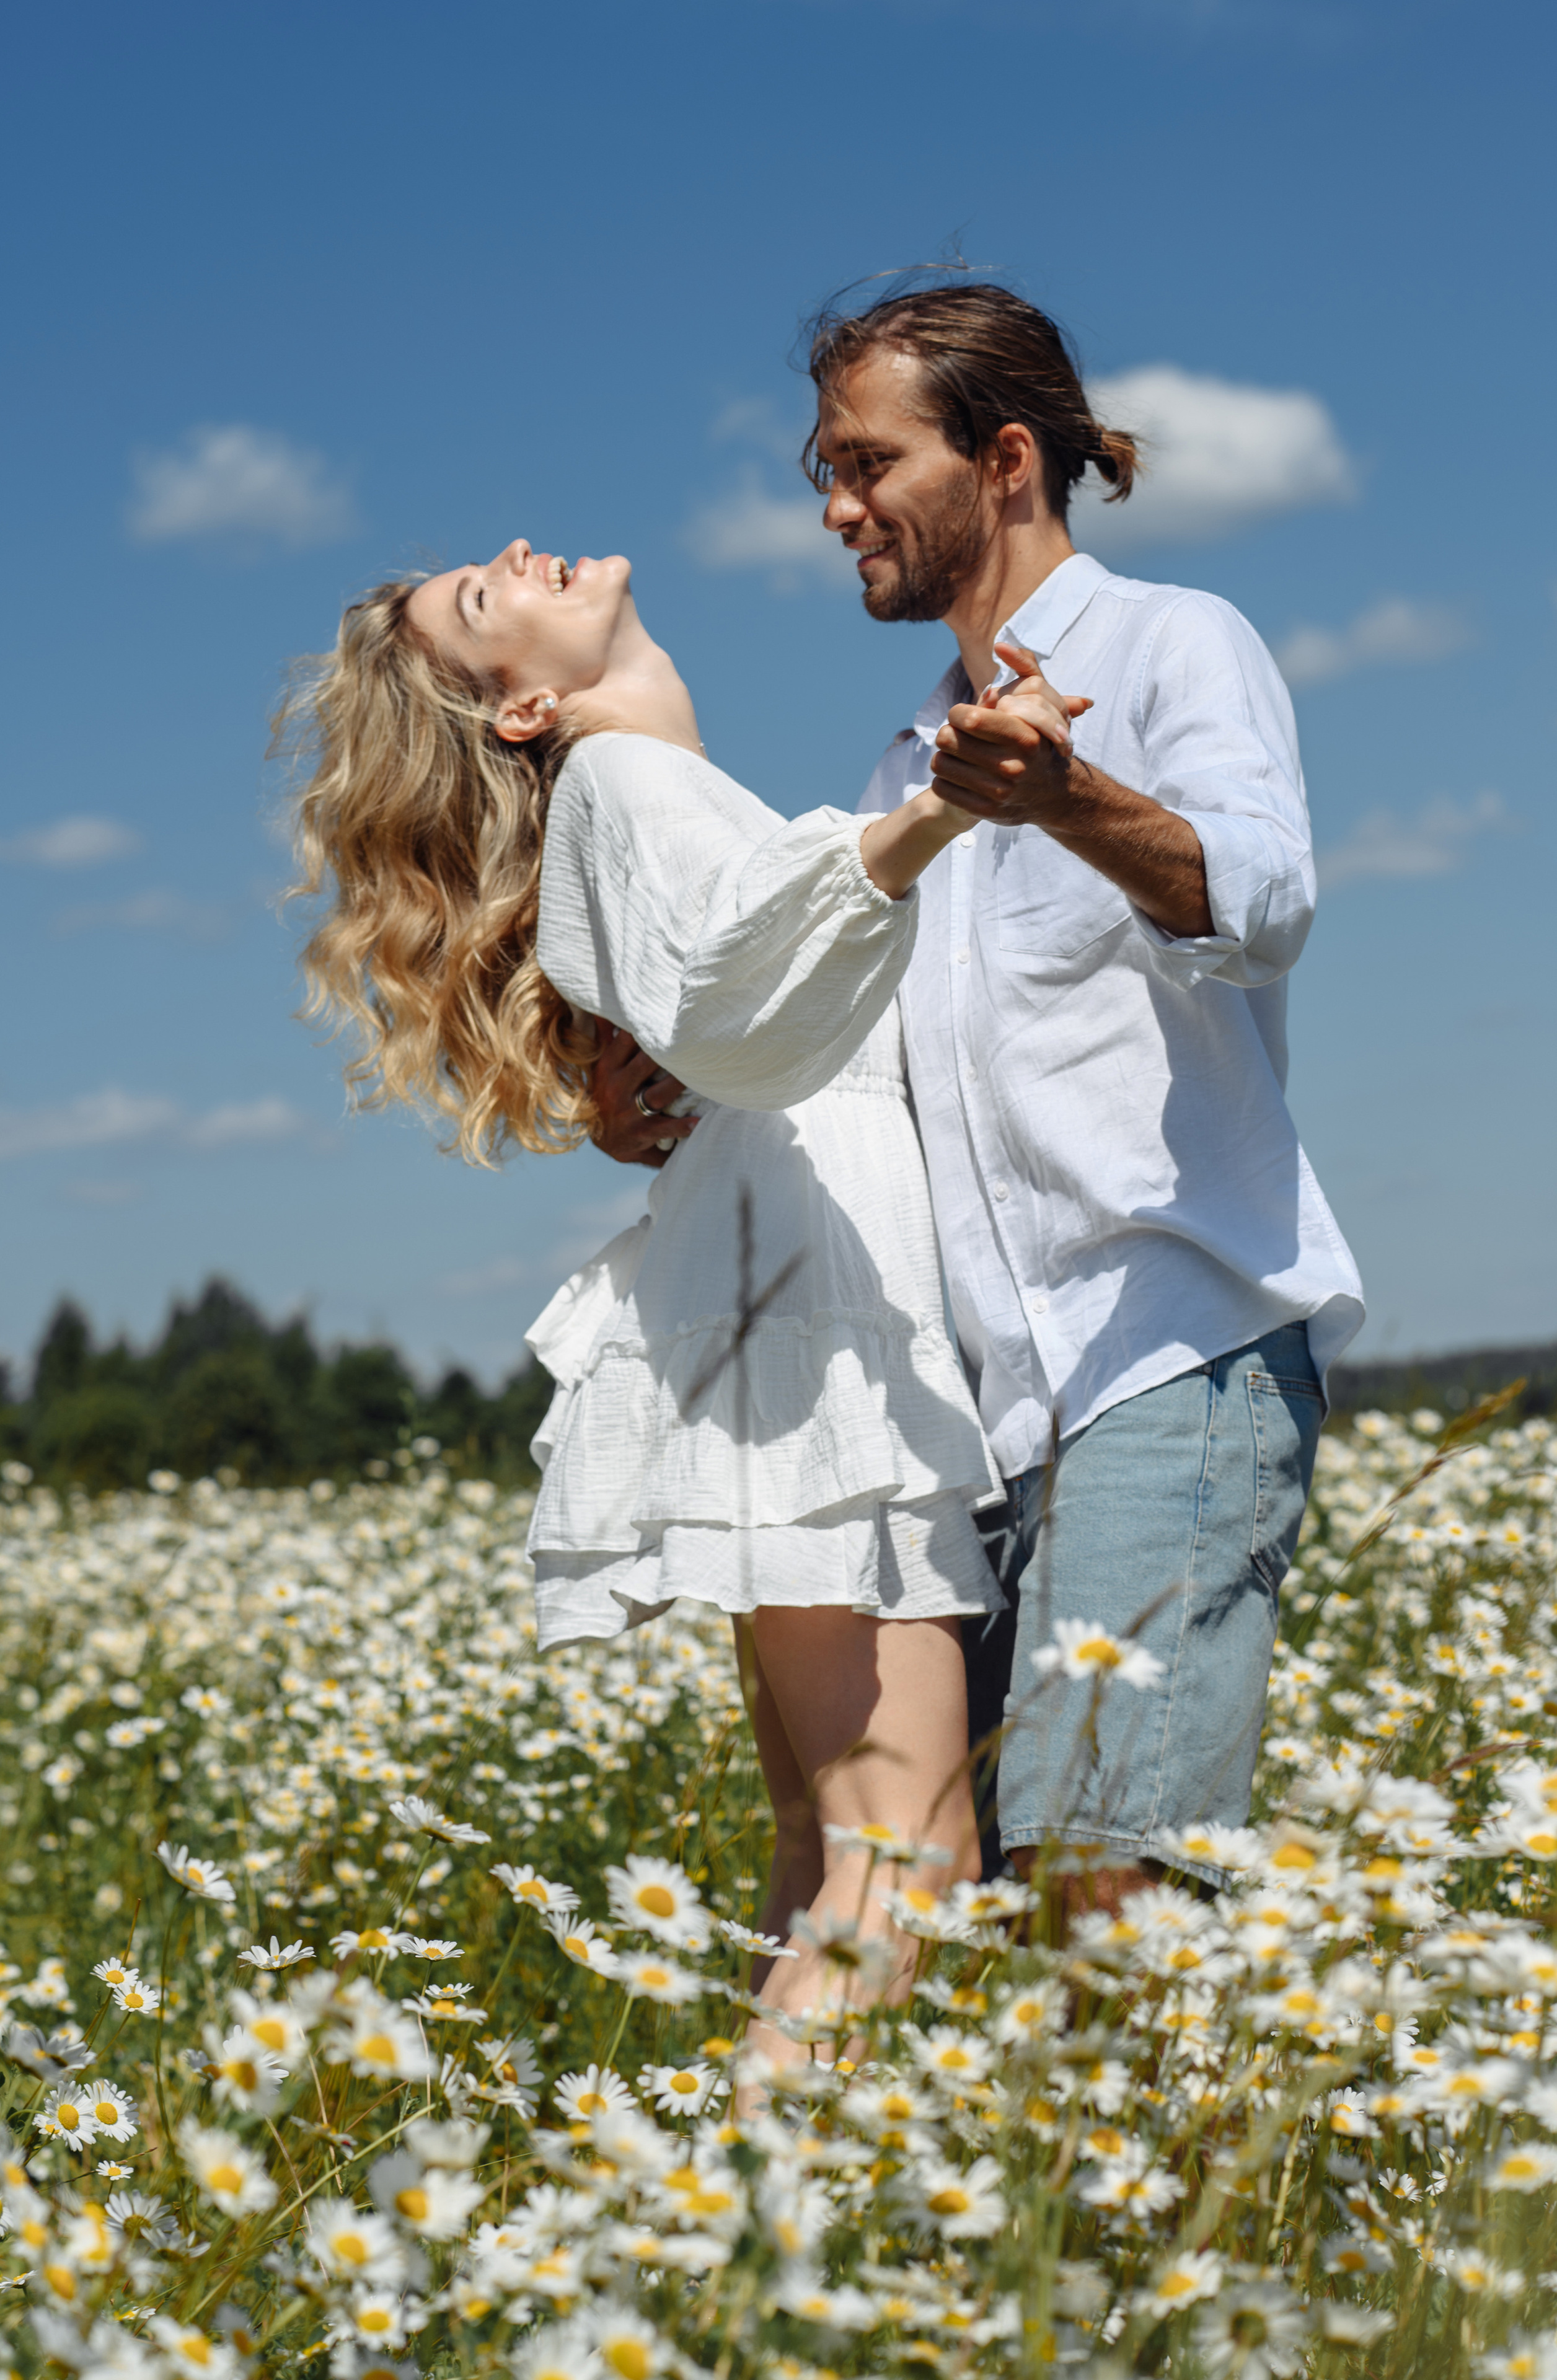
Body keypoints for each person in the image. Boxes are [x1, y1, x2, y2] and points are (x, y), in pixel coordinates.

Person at [594, 283, 1365, 1913]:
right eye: (825, 469)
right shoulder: (902, 777)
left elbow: (1268, 890)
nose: (836, 509)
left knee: (1108, 1866)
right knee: (999, 1905)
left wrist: (1070, 793)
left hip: (1173, 1347)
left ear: (1005, 458)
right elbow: (849, 1073)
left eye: (868, 464)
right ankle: (1230, 2167)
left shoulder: (1174, 644)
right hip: (986, 1420)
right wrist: (675, 1094)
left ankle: (1220, 2170)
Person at [281, 536, 1080, 2061]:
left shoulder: (641, 799)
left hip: (763, 1293)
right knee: (903, 1869)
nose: (514, 556)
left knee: (820, 1858)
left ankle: (731, 2248)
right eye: (477, 598)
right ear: (518, 711)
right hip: (805, 1316)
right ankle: (752, 2262)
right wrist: (934, 814)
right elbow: (730, 1009)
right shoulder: (626, 788)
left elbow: (701, 996)